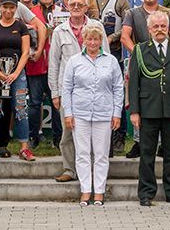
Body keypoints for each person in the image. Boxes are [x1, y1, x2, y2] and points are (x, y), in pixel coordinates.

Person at [128, 11, 170, 207]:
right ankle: (146, 193)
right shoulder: (140, 50)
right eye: (155, 27)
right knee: (147, 153)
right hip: (148, 109)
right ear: (149, 30)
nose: (160, 30)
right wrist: (135, 111)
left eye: (163, 26)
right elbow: (134, 83)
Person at [49, 0, 109, 182]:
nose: (75, 7)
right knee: (68, 132)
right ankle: (69, 169)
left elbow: (106, 56)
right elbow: (54, 63)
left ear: (85, 7)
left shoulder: (96, 27)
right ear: (67, 6)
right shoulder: (60, 30)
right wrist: (55, 93)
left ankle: (91, 171)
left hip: (94, 90)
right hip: (68, 90)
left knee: (92, 132)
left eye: (79, 4)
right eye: (72, 4)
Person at [62, 24, 124, 206]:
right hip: (80, 113)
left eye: (96, 39)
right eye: (89, 38)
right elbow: (67, 88)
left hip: (104, 114)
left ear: (101, 41)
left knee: (101, 154)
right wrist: (68, 113)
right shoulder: (74, 61)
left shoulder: (111, 61)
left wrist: (116, 113)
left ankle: (99, 191)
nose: (93, 42)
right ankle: (85, 190)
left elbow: (118, 88)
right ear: (84, 40)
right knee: (82, 153)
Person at [120, 0, 170, 158]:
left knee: (162, 98)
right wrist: (139, 53)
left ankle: (162, 144)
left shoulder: (168, 13)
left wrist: (165, 55)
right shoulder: (132, 13)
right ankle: (139, 142)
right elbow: (125, 36)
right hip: (139, 61)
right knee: (138, 99)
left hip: (163, 62)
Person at [86, 0, 131, 156]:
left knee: (116, 94)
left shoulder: (120, 0)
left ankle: (119, 135)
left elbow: (129, 23)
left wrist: (113, 37)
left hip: (114, 54)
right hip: (93, 56)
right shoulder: (89, 0)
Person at [0, 0, 35, 162]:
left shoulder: (21, 27)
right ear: (0, 8)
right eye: (5, 7)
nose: (8, 10)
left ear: (16, 8)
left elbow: (26, 52)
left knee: (21, 109)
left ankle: (24, 148)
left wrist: (15, 73)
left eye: (11, 7)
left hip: (17, 73)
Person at [26, 0, 64, 150]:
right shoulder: (30, 13)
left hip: (56, 65)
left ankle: (58, 137)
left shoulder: (62, 12)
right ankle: (33, 135)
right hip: (36, 64)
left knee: (57, 102)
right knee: (34, 103)